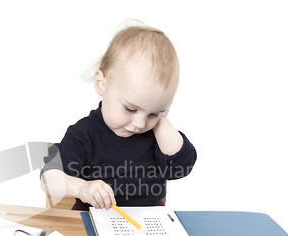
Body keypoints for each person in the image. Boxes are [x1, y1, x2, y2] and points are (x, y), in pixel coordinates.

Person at [40, 22, 197, 211]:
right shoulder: (85, 133)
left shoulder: (156, 132)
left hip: (148, 220)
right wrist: (82, 188)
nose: (139, 123)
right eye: (131, 109)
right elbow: (48, 178)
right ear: (101, 84)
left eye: (153, 113)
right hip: (93, 218)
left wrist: (161, 122)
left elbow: (182, 167)